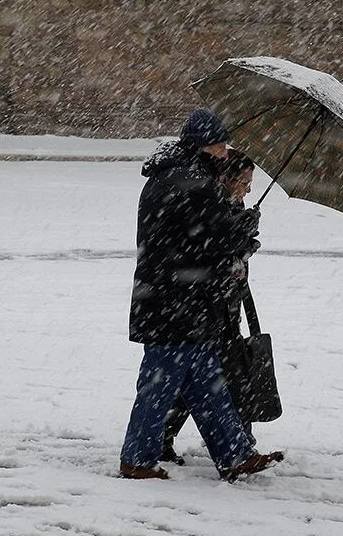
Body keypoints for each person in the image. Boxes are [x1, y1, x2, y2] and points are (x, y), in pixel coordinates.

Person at [119, 109, 283, 481]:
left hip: (180, 299)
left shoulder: (178, 176)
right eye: (218, 146)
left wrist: (235, 230)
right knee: (158, 385)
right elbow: (209, 239)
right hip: (174, 303)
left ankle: (236, 454)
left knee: (208, 384)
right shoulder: (189, 181)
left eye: (224, 145)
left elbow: (199, 236)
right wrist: (242, 229)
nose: (225, 153)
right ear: (200, 147)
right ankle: (137, 459)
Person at [160, 149, 260, 466]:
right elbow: (210, 250)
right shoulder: (210, 203)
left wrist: (246, 241)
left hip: (228, 301)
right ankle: (239, 442)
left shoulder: (234, 204)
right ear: (227, 178)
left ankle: (240, 440)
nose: (248, 190)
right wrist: (237, 243)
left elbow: (231, 250)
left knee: (223, 371)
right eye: (244, 182)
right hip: (208, 302)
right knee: (215, 373)